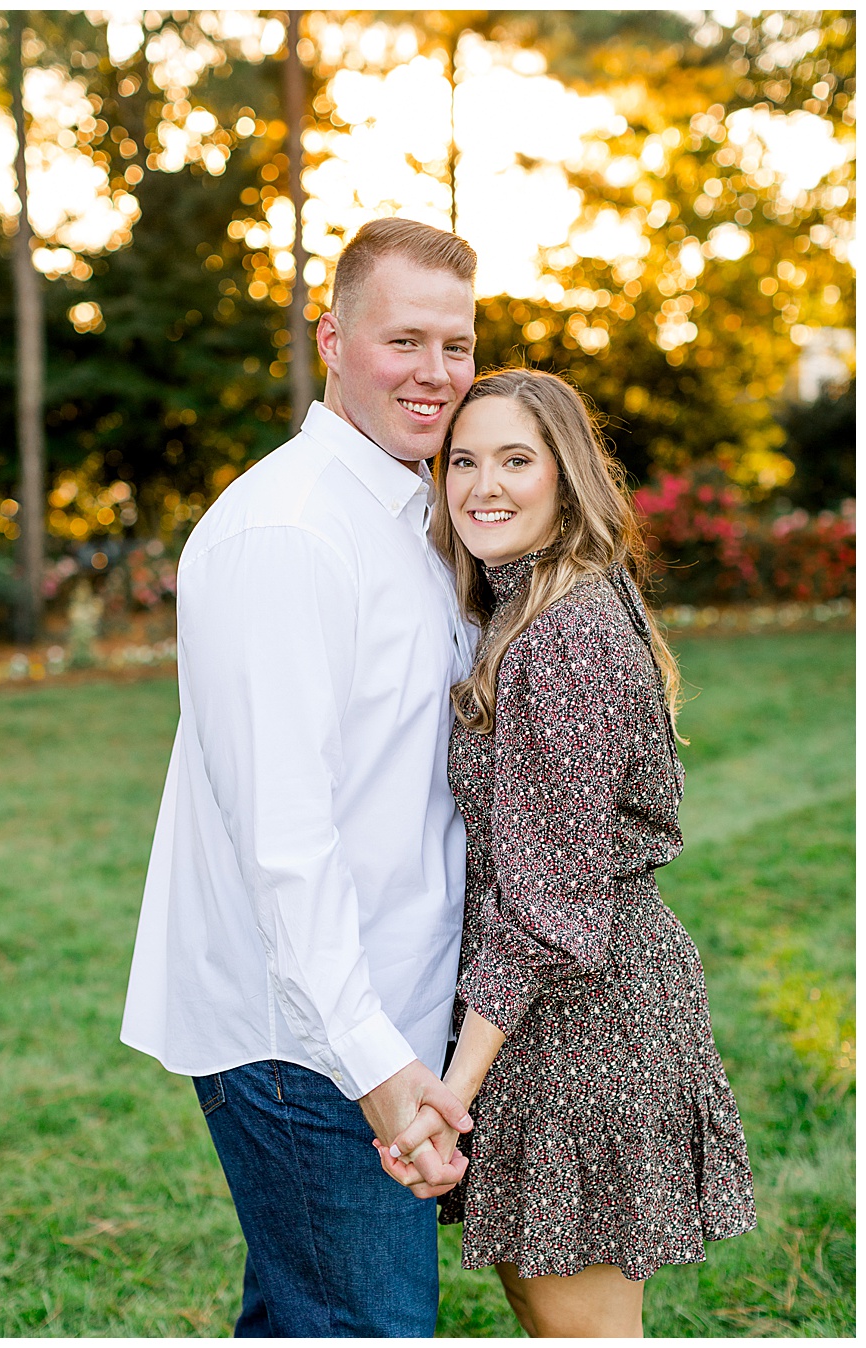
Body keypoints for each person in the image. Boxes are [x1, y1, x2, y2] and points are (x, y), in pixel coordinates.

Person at [121, 216, 481, 1337]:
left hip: (391, 1019)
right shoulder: (285, 532)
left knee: (303, 1318)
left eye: (458, 346)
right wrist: (375, 1066)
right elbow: (284, 836)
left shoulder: (417, 516)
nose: (435, 374)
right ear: (332, 339)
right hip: (309, 1042)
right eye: (404, 340)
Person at [374, 367, 757, 1335]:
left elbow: (551, 906)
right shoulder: (539, 603)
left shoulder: (562, 633)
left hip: (582, 1024)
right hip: (559, 1012)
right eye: (462, 460)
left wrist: (449, 1097)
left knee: (581, 1328)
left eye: (515, 459)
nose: (482, 485)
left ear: (565, 474)